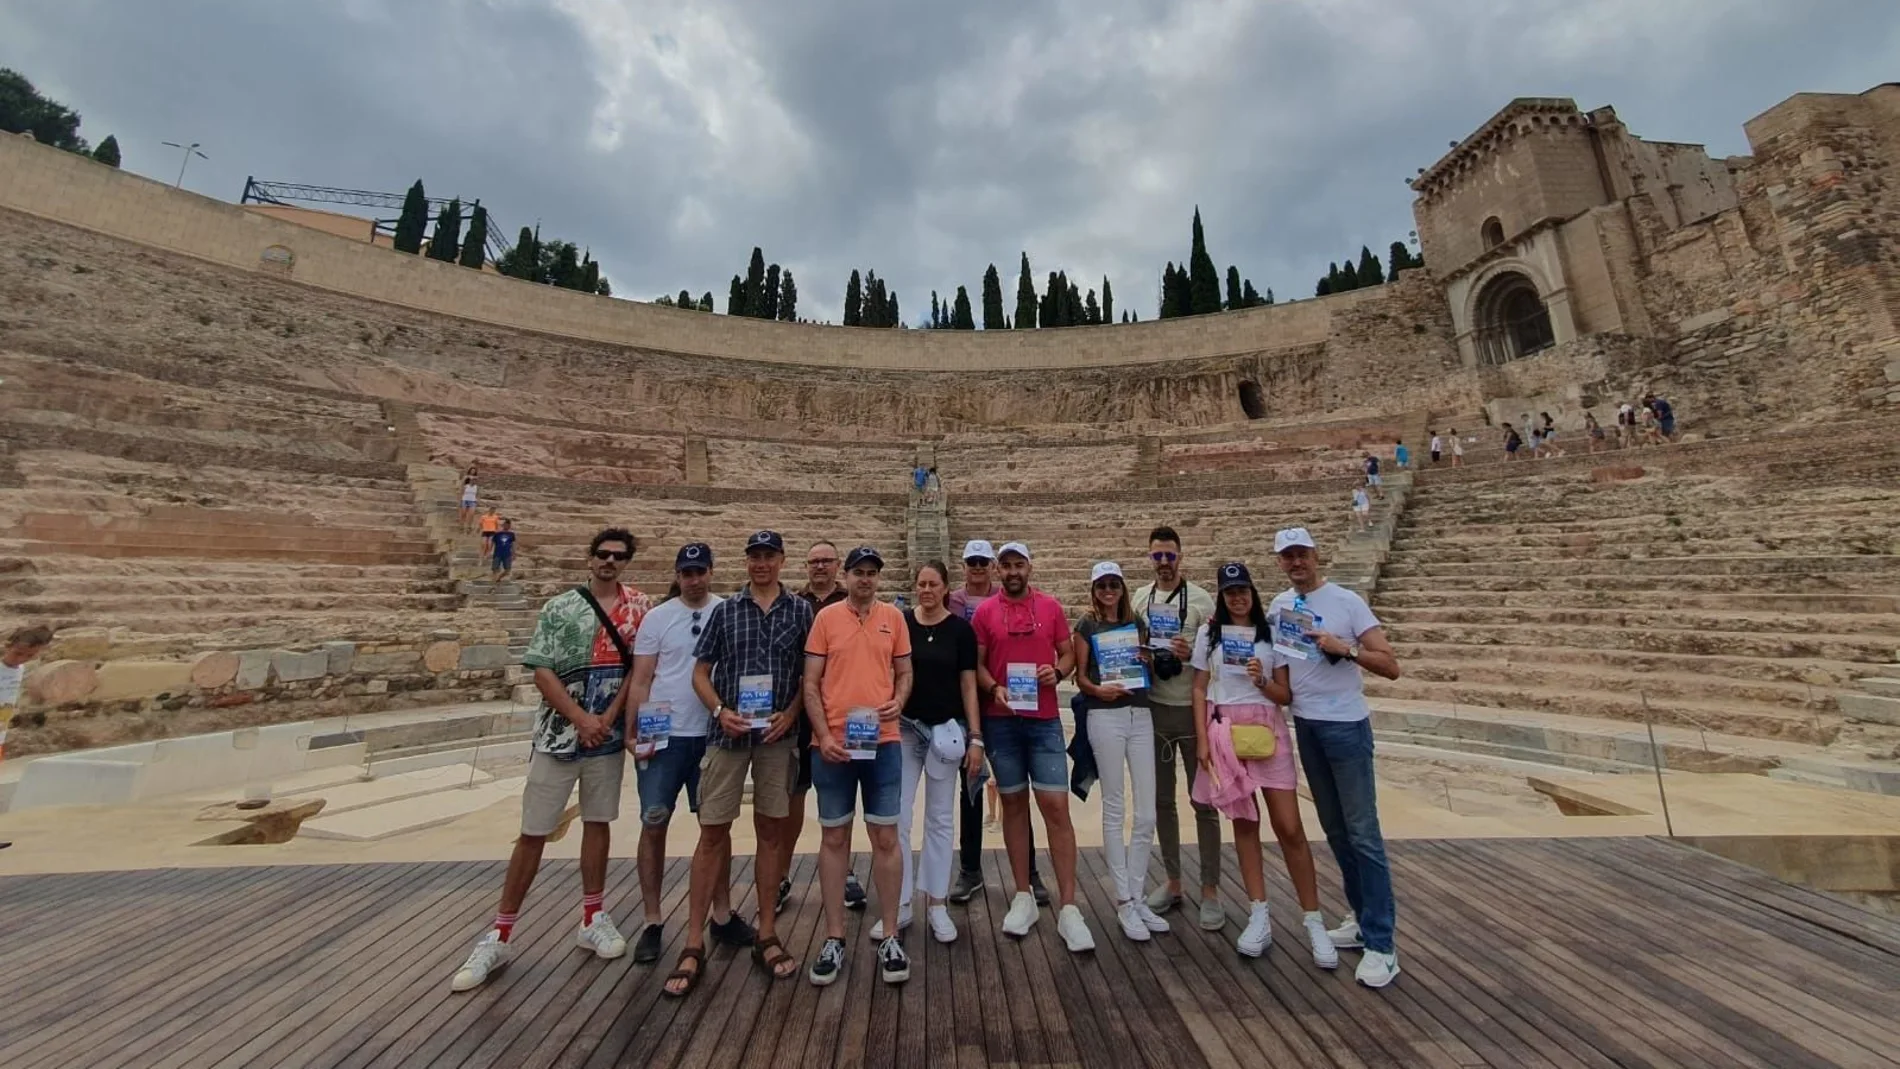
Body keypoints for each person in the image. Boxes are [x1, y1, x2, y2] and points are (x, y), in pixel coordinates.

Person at [451, 528, 649, 992]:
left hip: (605, 736)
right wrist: (581, 717)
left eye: (618, 556)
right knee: (534, 832)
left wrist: (609, 719)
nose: (609, 562)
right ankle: (500, 932)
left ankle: (593, 915)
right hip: (558, 736)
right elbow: (541, 671)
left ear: (627, 562)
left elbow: (637, 672)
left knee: (598, 823)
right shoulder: (559, 607)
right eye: (602, 554)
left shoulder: (641, 607)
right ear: (590, 557)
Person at [669, 529, 814, 995]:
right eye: (755, 557)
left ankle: (767, 931)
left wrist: (790, 714)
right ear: (747, 562)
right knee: (712, 832)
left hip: (777, 736)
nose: (762, 564)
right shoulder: (725, 611)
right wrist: (719, 711)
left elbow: (810, 674)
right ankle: (693, 942)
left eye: (770, 556)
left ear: (782, 560)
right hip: (726, 734)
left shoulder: (801, 611)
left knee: (772, 831)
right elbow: (700, 671)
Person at [1269, 528, 1405, 988]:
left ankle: (1383, 944)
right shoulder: (1279, 607)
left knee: (1364, 833)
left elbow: (1390, 664)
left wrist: (1343, 648)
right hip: (1306, 725)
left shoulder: (1347, 602)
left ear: (1315, 554)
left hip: (1346, 726)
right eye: (1287, 557)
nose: (1295, 562)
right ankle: (1362, 918)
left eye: (1301, 554)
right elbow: (1280, 669)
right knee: (1337, 831)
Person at [1189, 562, 1337, 968]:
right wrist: (1202, 740)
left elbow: (1284, 694)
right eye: (1230, 591)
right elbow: (1199, 688)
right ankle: (1259, 914)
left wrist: (1261, 682)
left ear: (1252, 593)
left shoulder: (1271, 633)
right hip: (1225, 731)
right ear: (1221, 596)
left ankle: (1314, 920)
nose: (1238, 597)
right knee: (1245, 823)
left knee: (1289, 826)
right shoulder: (1209, 634)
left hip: (1266, 727)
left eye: (1243, 590)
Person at [619, 543, 755, 967]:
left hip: (712, 734)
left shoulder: (729, 610)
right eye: (686, 572)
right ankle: (653, 919)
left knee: (715, 828)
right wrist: (631, 729)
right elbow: (641, 679)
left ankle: (721, 913)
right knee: (654, 822)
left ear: (711, 572)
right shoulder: (657, 618)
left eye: (699, 571)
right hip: (664, 737)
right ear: (677, 575)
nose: (693, 579)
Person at [971, 542, 1093, 952]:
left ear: (1029, 567)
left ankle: (1069, 906)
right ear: (997, 570)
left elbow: (1067, 655)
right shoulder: (986, 612)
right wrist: (995, 688)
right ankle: (1022, 894)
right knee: (1014, 804)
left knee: (1056, 808)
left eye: (1017, 564)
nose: (1011, 571)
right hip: (1002, 721)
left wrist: (1055, 673)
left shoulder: (1052, 607)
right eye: (1004, 565)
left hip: (1043, 721)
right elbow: (979, 665)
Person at [803, 546, 915, 985]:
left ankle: (890, 934)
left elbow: (904, 673)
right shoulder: (825, 619)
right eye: (858, 572)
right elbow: (810, 683)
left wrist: (899, 700)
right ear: (845, 576)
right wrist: (824, 737)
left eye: (872, 572)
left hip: (883, 741)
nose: (865, 579)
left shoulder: (895, 618)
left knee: (886, 836)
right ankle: (834, 936)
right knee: (834, 837)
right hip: (832, 744)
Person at [1130, 526, 1223, 930]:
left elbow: (1222, 662)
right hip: (1155, 709)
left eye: (1170, 556)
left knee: (1203, 803)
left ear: (1180, 557)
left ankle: (1210, 890)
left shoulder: (1201, 601)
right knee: (1162, 802)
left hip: (1191, 710)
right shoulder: (1139, 598)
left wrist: (1193, 652)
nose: (1164, 563)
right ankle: (1173, 881)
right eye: (1157, 557)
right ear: (1149, 558)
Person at [946, 540, 1047, 906]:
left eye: (982, 562)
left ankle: (1031, 873)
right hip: (966, 703)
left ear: (993, 566)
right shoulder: (951, 601)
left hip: (1008, 703)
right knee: (971, 788)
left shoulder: (1005, 600)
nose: (976, 567)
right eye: (971, 561)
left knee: (1017, 793)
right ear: (963, 566)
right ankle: (970, 869)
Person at [1073, 561, 1168, 943]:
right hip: (1104, 716)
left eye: (1113, 584)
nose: (1108, 591)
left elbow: (1150, 672)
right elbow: (1079, 677)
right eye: (1101, 585)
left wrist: (1148, 662)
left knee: (1147, 811)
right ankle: (1124, 898)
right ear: (1094, 589)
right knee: (1115, 806)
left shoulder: (1137, 623)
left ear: (1122, 587)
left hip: (1140, 714)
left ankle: (1138, 892)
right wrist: (1099, 691)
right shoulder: (1086, 625)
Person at [893, 561, 982, 945]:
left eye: (933, 584)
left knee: (941, 819)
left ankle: (937, 903)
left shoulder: (961, 630)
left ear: (946, 588)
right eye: (921, 584)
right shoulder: (901, 624)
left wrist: (976, 737)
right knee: (896, 816)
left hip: (947, 732)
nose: (926, 590)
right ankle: (898, 903)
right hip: (907, 729)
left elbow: (968, 685)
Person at [779, 540, 865, 916]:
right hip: (798, 719)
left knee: (839, 803)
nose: (820, 567)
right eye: (814, 561)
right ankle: (781, 876)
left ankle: (843, 873)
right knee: (791, 802)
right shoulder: (793, 605)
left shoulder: (853, 604)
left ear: (838, 565)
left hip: (841, 717)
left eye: (827, 561)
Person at [0, 625, 52, 765]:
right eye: (18, 653)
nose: (22, 659)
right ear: (7, 646)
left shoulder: (20, 670)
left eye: (29, 655)